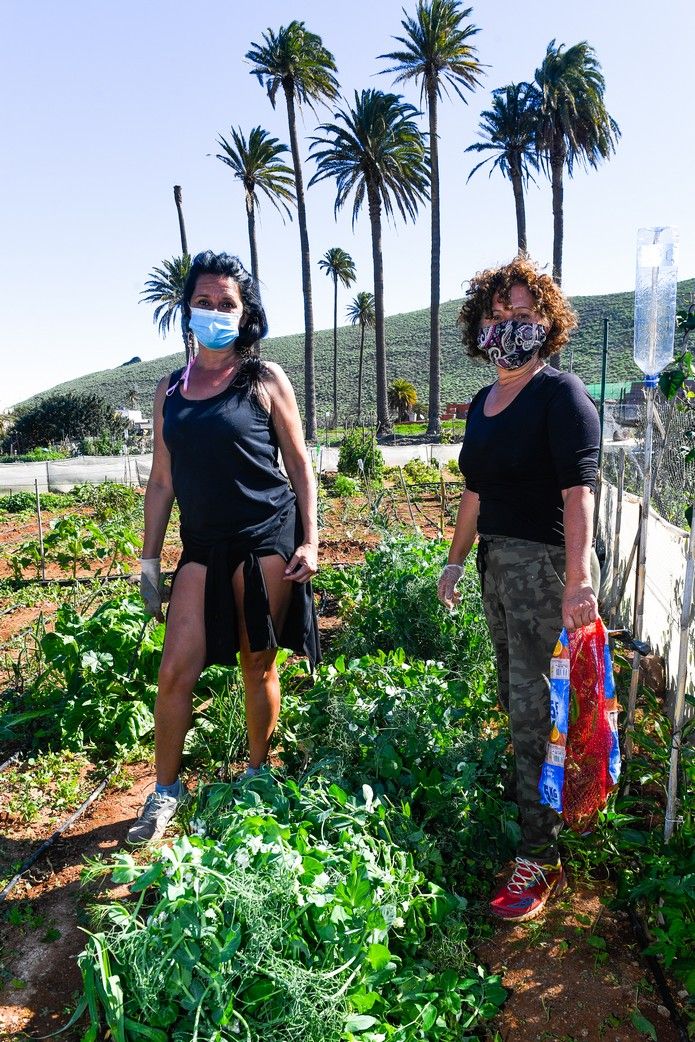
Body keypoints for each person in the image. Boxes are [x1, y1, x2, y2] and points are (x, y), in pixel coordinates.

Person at [127, 251, 320, 845]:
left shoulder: (263, 380)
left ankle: (258, 774)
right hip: (202, 546)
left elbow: (300, 465)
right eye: (204, 302)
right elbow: (162, 480)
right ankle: (165, 792)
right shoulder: (171, 391)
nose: (214, 312)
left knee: (255, 662)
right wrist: (150, 560)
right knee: (174, 669)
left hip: (266, 536)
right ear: (187, 310)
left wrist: (311, 541)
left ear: (245, 313)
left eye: (226, 304)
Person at [437, 255, 600, 922]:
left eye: (523, 314)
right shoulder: (482, 403)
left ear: (547, 324)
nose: (509, 325)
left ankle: (540, 854)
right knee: (517, 700)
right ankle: (546, 811)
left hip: (542, 571)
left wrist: (579, 581)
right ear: (480, 325)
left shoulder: (559, 396)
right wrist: (453, 562)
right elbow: (474, 492)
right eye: (499, 314)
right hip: (496, 570)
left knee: (537, 710)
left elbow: (578, 491)